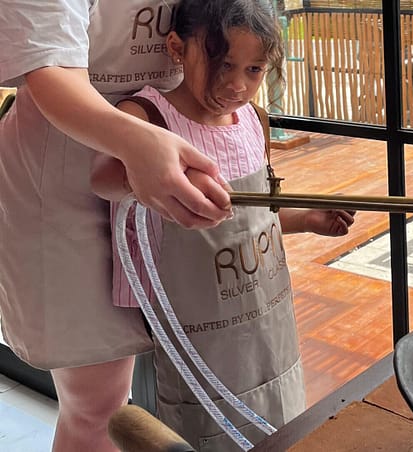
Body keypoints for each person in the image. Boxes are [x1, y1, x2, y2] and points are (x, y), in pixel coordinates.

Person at [89, 0, 356, 449]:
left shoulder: (251, 120)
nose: (237, 85)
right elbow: (102, 178)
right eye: (223, 64)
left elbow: (249, 220)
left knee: (276, 411)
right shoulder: (148, 117)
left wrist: (306, 219)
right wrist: (165, 170)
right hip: (188, 318)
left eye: (254, 70)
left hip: (262, 312)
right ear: (177, 48)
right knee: (192, 418)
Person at [0, 1, 233, 451]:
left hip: (164, 168)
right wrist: (133, 140)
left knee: (172, 383)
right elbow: (50, 66)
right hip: (60, 188)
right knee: (98, 406)